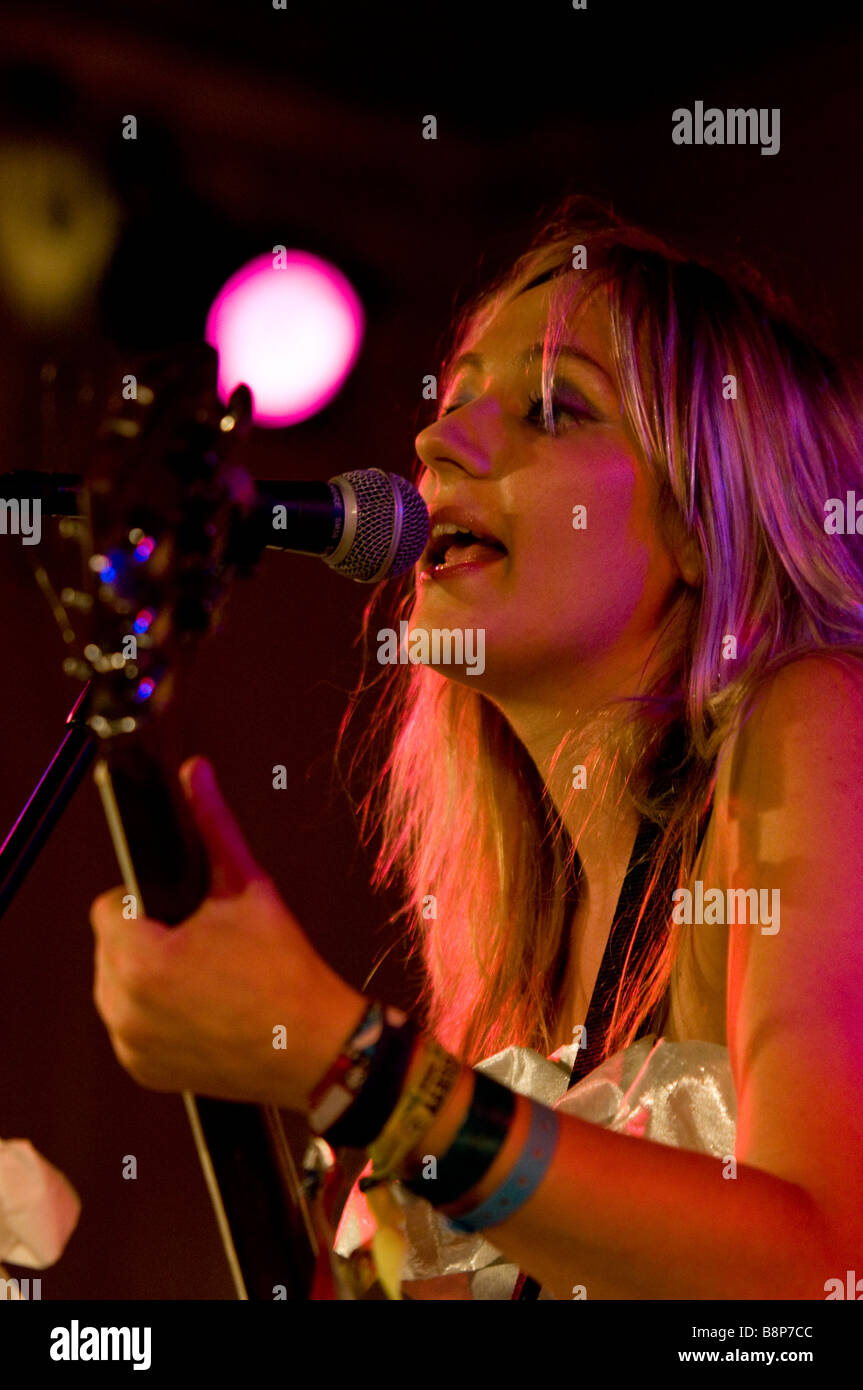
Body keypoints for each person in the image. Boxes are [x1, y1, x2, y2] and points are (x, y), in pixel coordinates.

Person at [90, 195, 863, 1300]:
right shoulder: (522, 983)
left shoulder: (811, 721)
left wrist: (338, 1056)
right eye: (451, 401)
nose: (433, 441)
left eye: (553, 407)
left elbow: (818, 1269)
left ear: (703, 517)